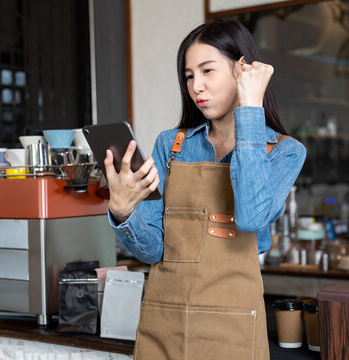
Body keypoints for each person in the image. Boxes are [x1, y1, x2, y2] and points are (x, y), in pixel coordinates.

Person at [105, 18, 306, 360]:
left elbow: (250, 216)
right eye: (188, 75)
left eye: (207, 71)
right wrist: (123, 212)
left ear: (242, 69)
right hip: (164, 322)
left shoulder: (284, 151)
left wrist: (251, 112)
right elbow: (153, 250)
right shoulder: (172, 145)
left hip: (234, 329)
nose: (196, 86)